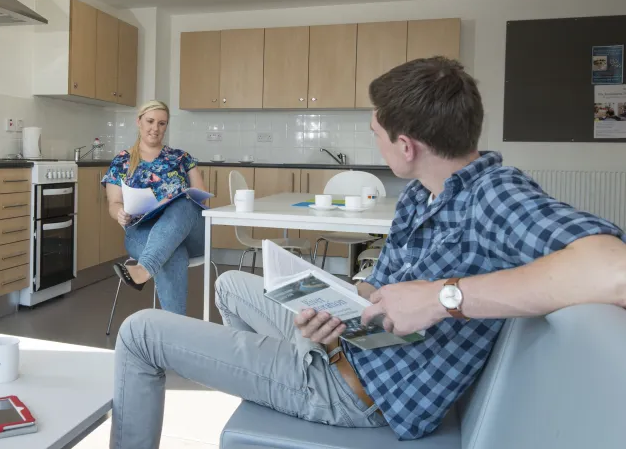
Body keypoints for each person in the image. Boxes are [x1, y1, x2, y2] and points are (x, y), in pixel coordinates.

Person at [109, 58, 626, 449]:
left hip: (360, 390)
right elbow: (384, 296)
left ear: (407, 146)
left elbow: (615, 268)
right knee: (229, 284)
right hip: (355, 343)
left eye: (377, 134)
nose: (375, 144)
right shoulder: (422, 193)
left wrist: (444, 298)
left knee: (139, 332)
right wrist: (347, 295)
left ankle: (288, 385)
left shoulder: (494, 195)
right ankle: (277, 379)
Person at [102, 100, 207, 315]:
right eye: (150, 121)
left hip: (189, 232)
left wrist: (171, 201)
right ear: (138, 122)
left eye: (162, 123)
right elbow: (113, 204)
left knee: (184, 202)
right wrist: (119, 214)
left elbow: (201, 200)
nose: (155, 128)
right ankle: (175, 330)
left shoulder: (181, 158)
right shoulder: (121, 161)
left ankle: (143, 269)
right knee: (172, 251)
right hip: (141, 232)